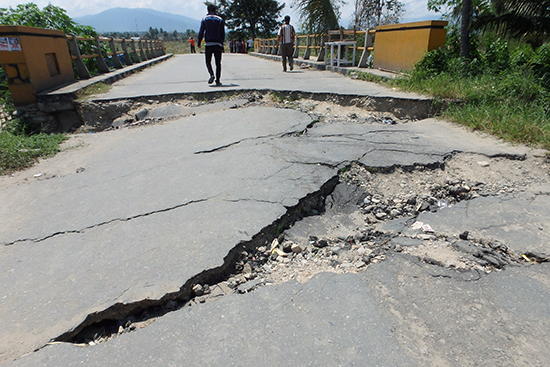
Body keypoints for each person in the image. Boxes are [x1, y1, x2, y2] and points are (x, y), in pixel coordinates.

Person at [198, 4, 225, 86]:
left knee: (208, 61)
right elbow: (222, 33)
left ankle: (211, 74)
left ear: (208, 10)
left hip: (208, 44)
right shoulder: (220, 19)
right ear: (215, 10)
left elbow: (201, 32)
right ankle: (218, 80)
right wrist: (222, 43)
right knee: (218, 62)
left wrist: (199, 42)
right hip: (218, 44)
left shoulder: (204, 19)